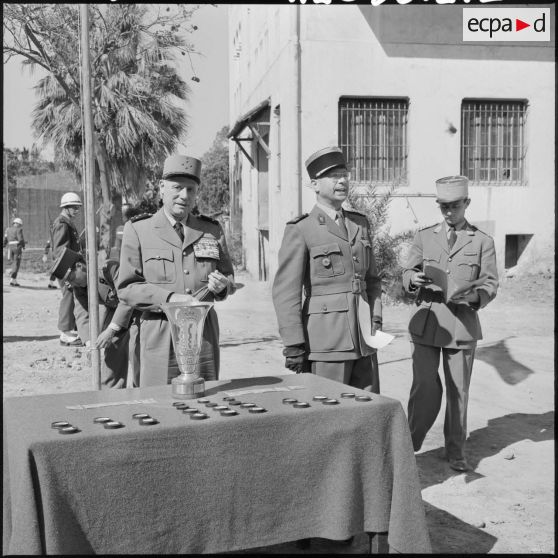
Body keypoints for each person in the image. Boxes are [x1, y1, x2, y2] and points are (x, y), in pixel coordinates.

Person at [402, 175, 499, 472]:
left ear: (466, 203)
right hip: (429, 323)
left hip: (462, 324)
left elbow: (491, 284)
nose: (448, 211)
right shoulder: (424, 236)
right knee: (423, 388)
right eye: (443, 206)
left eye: (454, 205)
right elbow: (407, 271)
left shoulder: (483, 241)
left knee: (459, 392)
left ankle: (456, 451)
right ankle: (409, 446)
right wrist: (412, 279)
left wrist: (474, 297)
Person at [117, 154, 236, 387]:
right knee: (158, 405)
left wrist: (224, 286)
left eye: (191, 189)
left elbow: (229, 276)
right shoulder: (139, 229)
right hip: (159, 331)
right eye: (177, 188)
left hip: (203, 333)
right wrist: (171, 299)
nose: (184, 196)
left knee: (205, 398)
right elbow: (127, 288)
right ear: (162, 188)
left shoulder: (210, 229)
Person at [272, 146, 383, 392]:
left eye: (344, 174)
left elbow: (372, 281)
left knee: (368, 411)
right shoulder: (302, 229)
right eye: (333, 176)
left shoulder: (359, 224)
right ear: (314, 184)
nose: (342, 180)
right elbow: (285, 292)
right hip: (326, 341)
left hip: (364, 337)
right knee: (330, 414)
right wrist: (294, 344)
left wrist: (375, 318)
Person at [50, 246, 139, 389]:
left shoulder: (109, 269)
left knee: (138, 355)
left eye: (72, 278)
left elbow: (128, 299)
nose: (73, 284)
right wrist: (89, 343)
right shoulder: (79, 287)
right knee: (112, 354)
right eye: (69, 282)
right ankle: (110, 395)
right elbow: (81, 314)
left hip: (138, 312)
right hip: (116, 314)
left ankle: (141, 393)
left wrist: (110, 330)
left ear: (80, 266)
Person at [51, 192, 84, 345]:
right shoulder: (62, 224)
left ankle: (72, 329)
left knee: (73, 297)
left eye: (78, 208)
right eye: (75, 208)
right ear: (66, 207)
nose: (77, 211)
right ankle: (65, 333)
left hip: (69, 267)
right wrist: (67, 274)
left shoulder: (67, 222)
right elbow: (60, 251)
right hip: (65, 269)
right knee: (68, 297)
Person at [3, 217, 26, 286]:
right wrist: (23, 245)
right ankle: (12, 278)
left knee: (13, 262)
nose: (20, 226)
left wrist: (3, 245)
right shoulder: (19, 229)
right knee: (17, 263)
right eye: (20, 224)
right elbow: (21, 239)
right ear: (18, 224)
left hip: (10, 247)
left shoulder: (7, 230)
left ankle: (14, 280)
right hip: (17, 247)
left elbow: (5, 240)